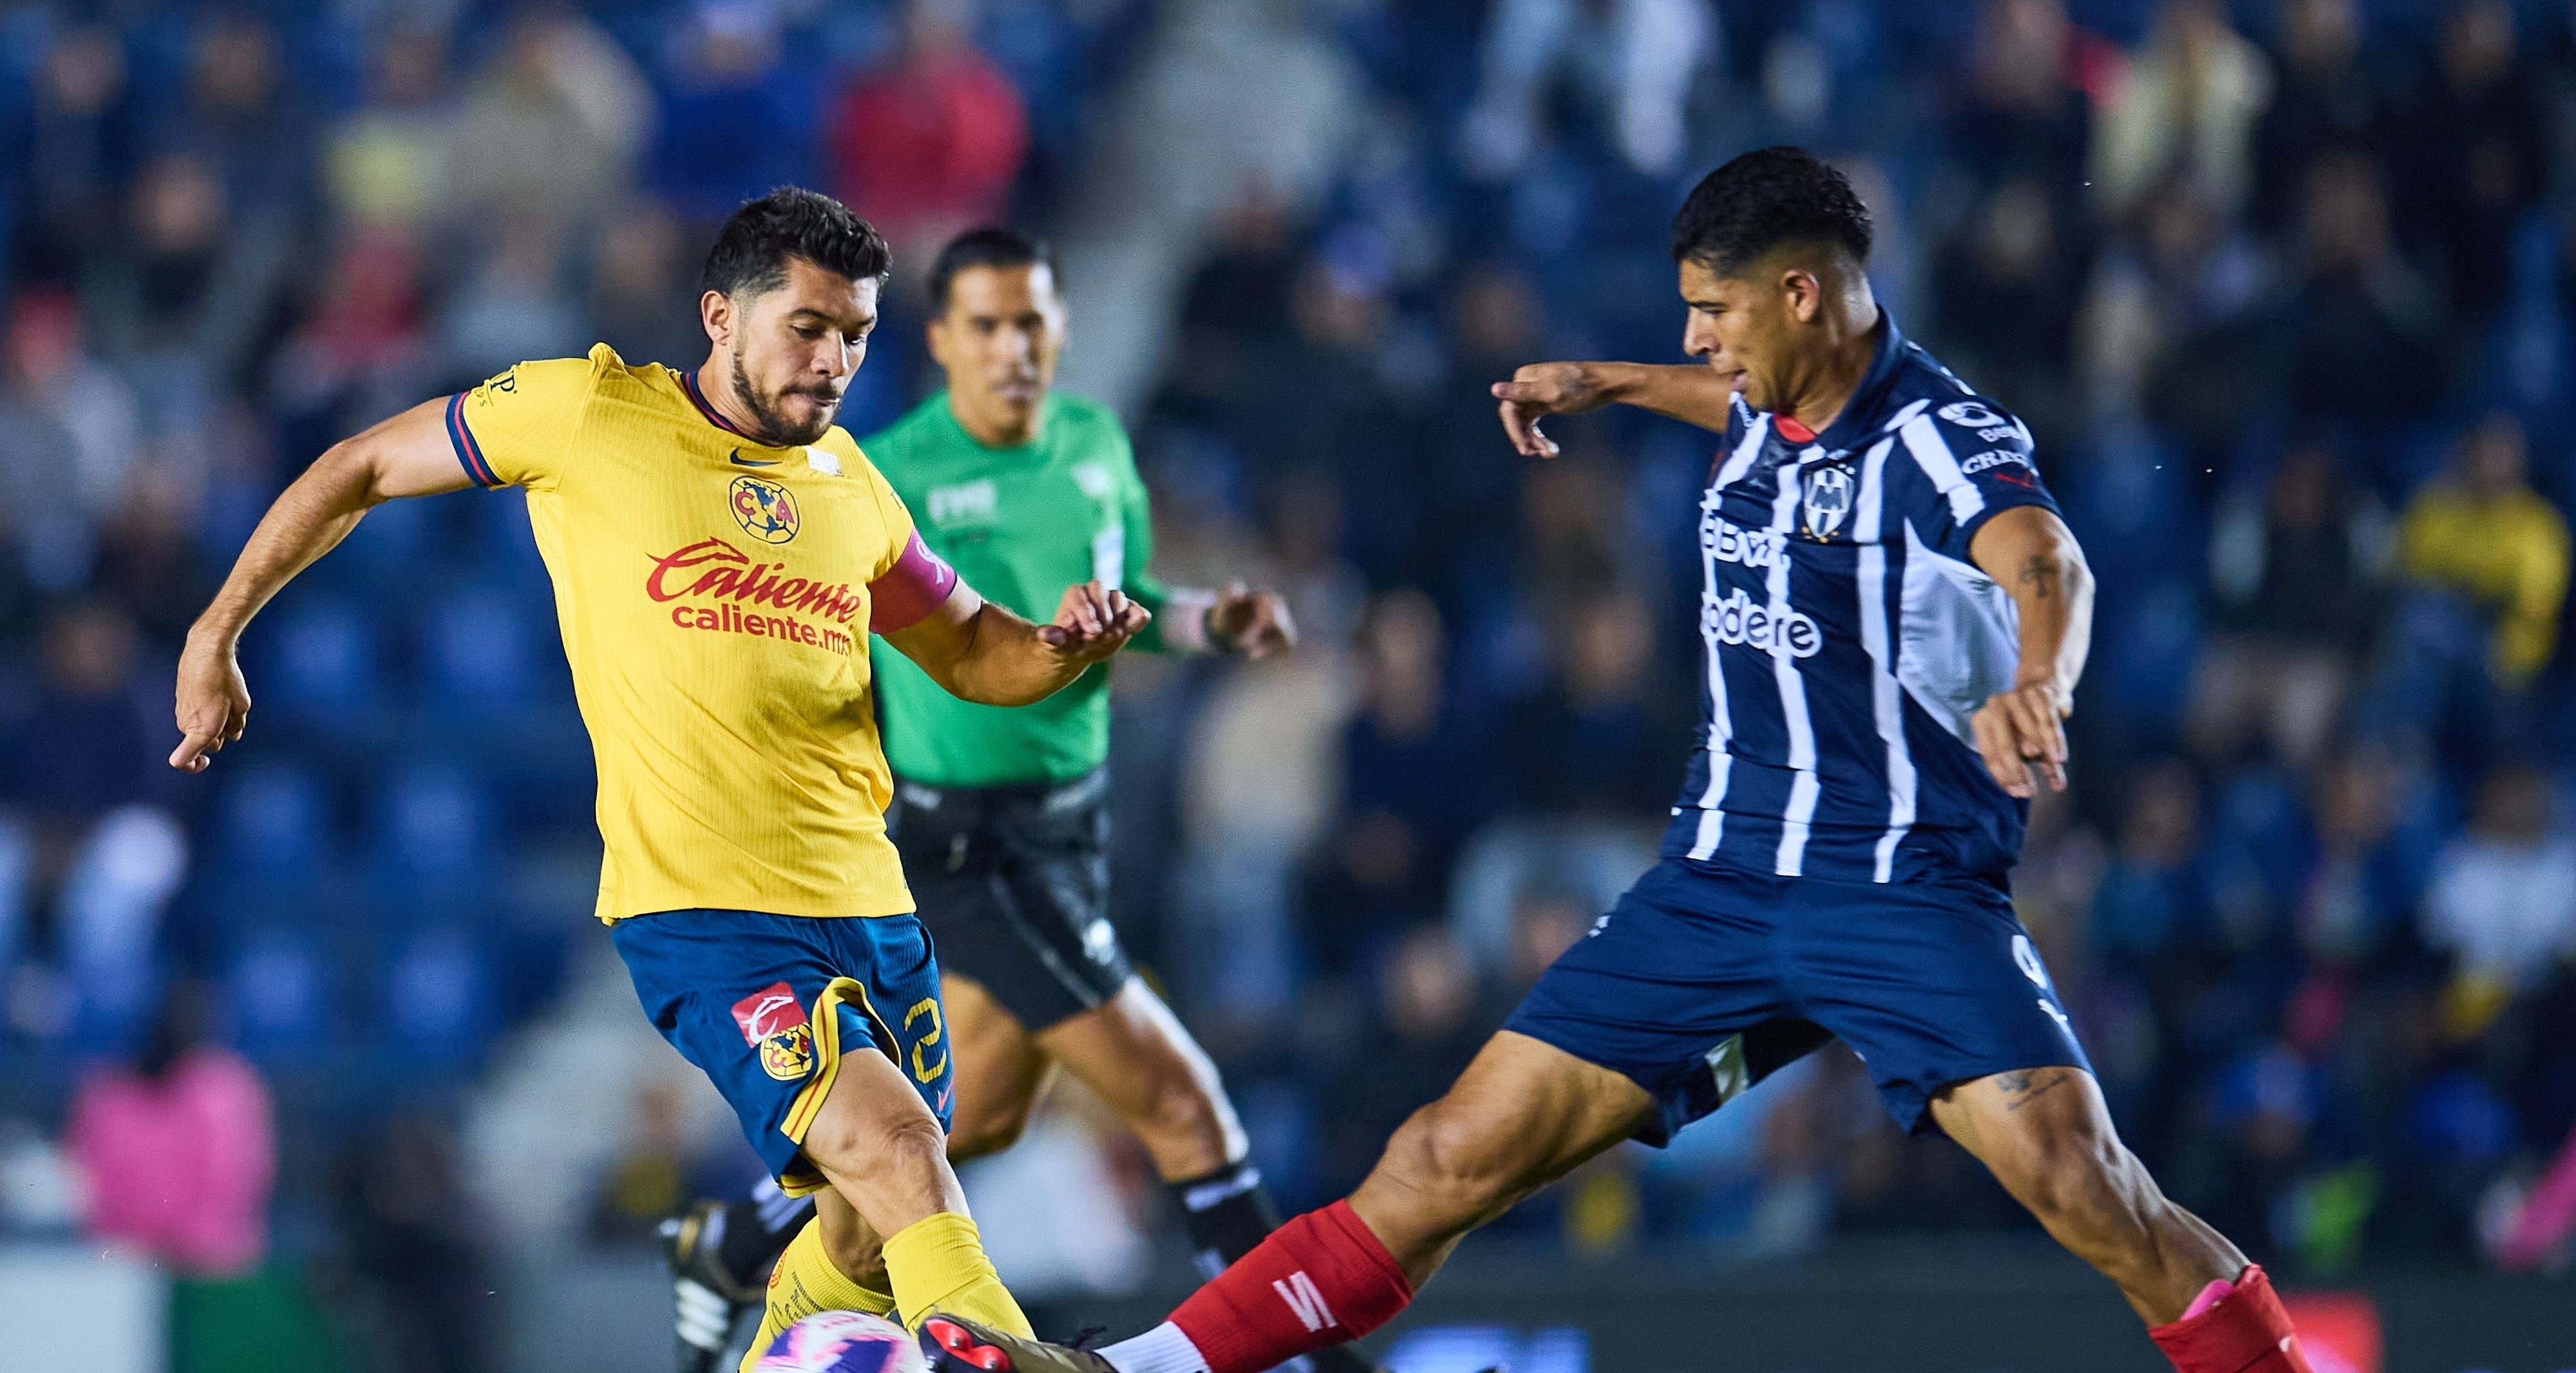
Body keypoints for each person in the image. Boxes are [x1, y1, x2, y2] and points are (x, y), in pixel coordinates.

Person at [910, 149, 2314, 1373]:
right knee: (1444, 1158)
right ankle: (1128, 1371)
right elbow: (1744, 414)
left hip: (1896, 892)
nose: (1698, 340)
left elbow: (2040, 556)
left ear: (1799, 296)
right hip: (1710, 888)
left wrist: (2035, 683)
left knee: (2085, 1186)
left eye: (1712, 312)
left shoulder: (1937, 442)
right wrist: (1612, 384)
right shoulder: (1776, 393)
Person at [170, 187, 1149, 1370]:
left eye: (856, 334)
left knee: (867, 1233)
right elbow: (363, 464)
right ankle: (1015, 1357)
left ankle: (771, 1335)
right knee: (898, 1152)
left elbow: (972, 649)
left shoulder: (852, 487)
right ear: (718, 316)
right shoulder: (589, 413)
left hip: (876, 911)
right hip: (711, 911)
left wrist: (1060, 645)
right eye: (807, 326)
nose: (834, 360)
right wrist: (217, 630)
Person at [661, 226, 1365, 1373]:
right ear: (940, 339)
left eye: (1032, 321)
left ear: (1061, 330)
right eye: (985, 324)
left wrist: (1208, 621)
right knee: (1187, 1109)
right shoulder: (871, 471)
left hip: (1074, 829)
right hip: (966, 846)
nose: (1013, 347)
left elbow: (1130, 595)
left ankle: (731, 1242)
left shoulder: (1094, 445)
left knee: (961, 1123)